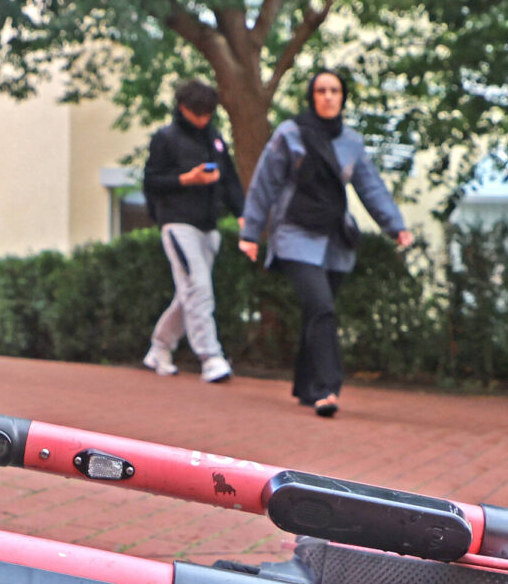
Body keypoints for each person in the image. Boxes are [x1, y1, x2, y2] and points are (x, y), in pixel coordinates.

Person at [238, 69, 412, 417]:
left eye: (335, 90)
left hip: (335, 238)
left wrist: (395, 226)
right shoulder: (290, 134)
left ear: (343, 97)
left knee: (316, 311)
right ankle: (326, 389)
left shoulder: (352, 142)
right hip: (294, 233)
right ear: (311, 96)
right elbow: (264, 182)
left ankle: (306, 386)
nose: (328, 96)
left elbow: (371, 186)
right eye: (321, 90)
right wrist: (251, 233)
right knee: (322, 306)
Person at [140, 80, 244, 382]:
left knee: (190, 292)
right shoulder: (165, 138)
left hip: (208, 226)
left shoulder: (215, 139)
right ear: (183, 108)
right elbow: (151, 181)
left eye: (208, 113)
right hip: (177, 223)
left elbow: (230, 179)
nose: (203, 119)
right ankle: (210, 358)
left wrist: (242, 214)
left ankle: (160, 347)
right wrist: (186, 179)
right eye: (198, 113)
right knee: (199, 289)